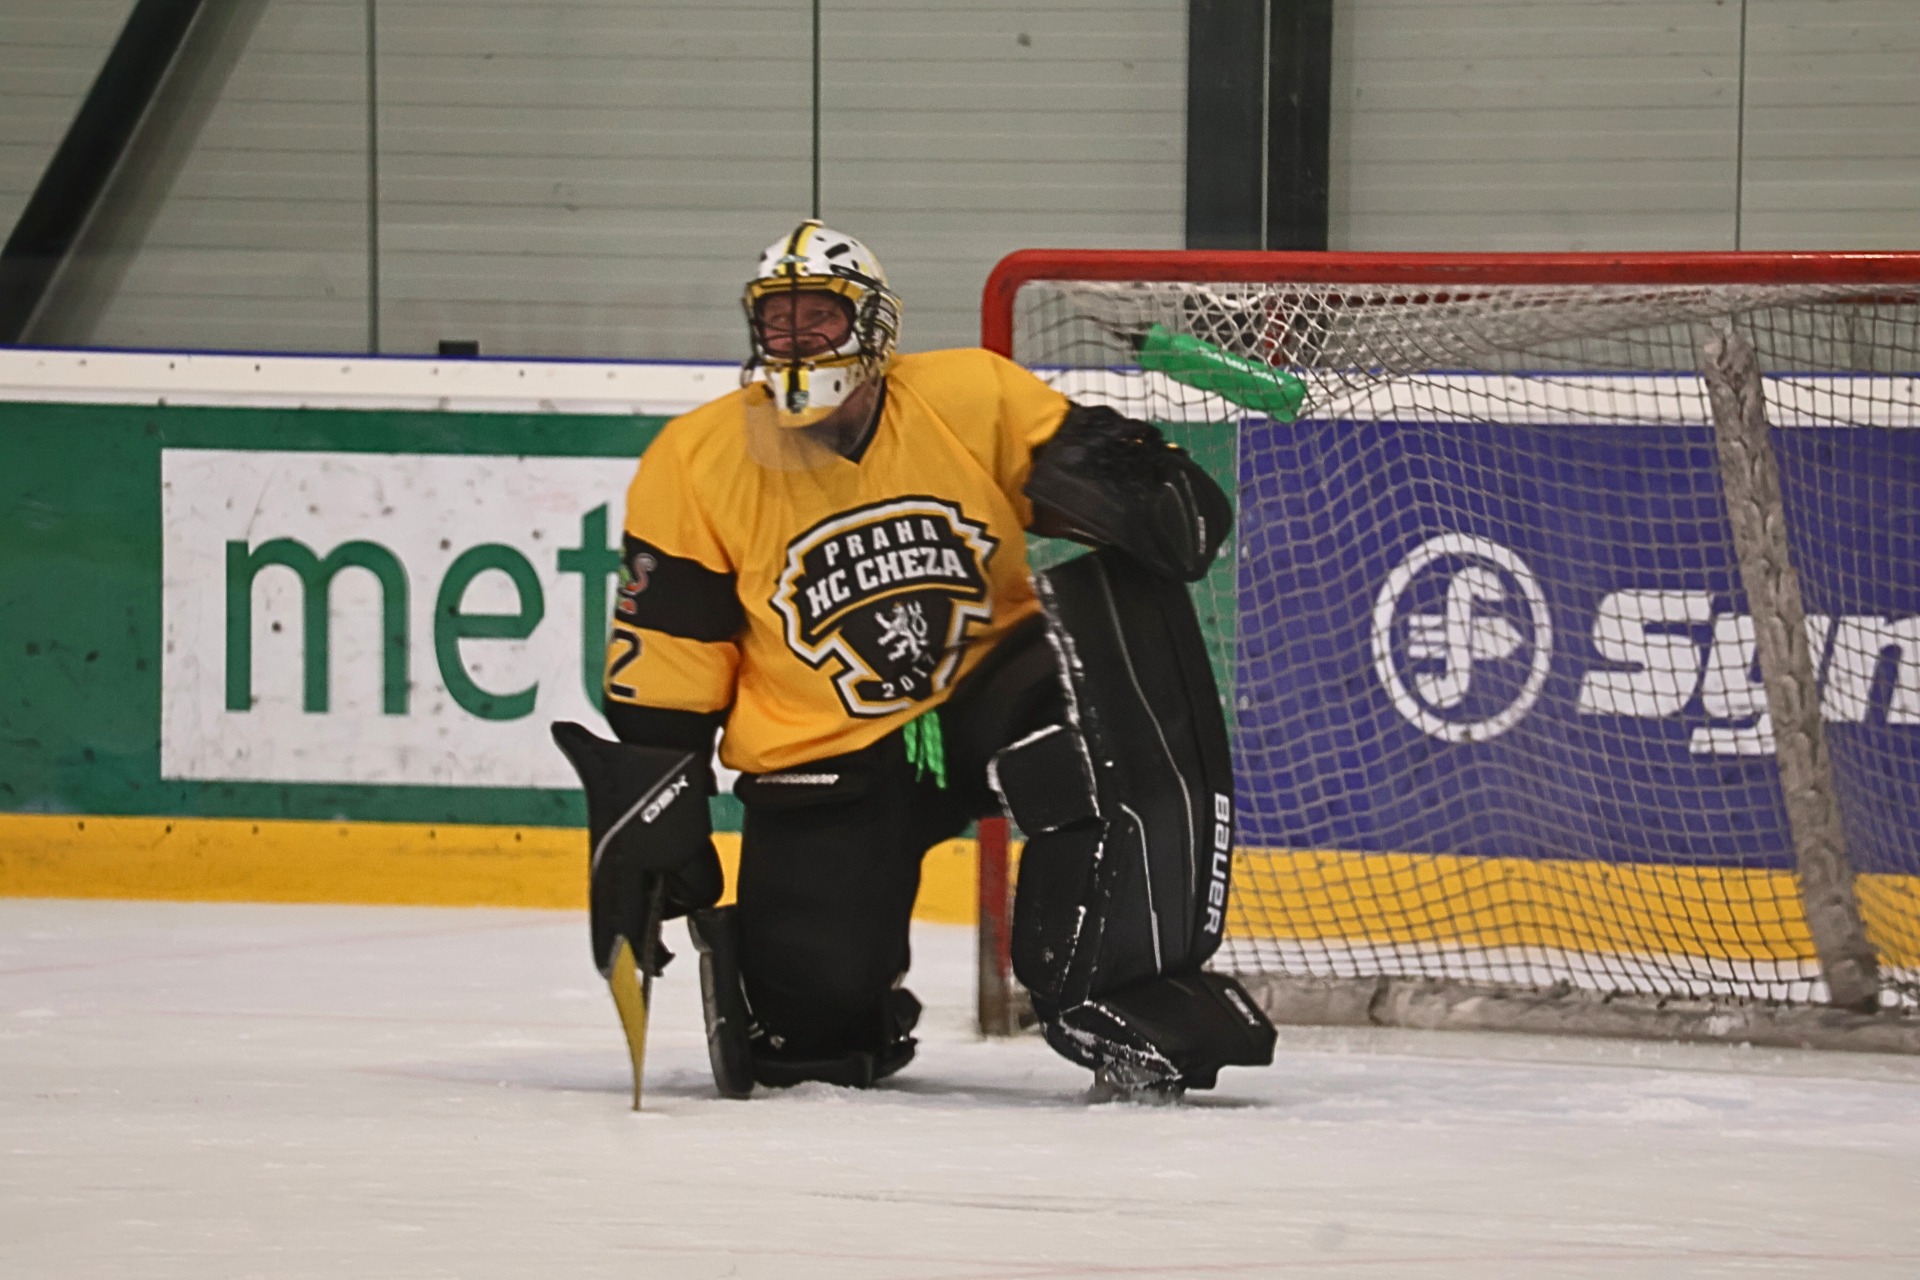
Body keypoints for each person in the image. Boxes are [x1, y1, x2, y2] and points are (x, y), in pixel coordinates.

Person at [563, 220, 1244, 1096]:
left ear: (874, 325)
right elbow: (670, 654)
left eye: (821, 315)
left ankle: (1121, 995)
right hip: (824, 746)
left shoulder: (972, 396)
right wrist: (660, 811)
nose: (798, 337)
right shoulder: (696, 460)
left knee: (1087, 750)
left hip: (992, 687)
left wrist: (1129, 476)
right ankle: (842, 1011)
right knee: (808, 1037)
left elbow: (1108, 486)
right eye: (779, 320)